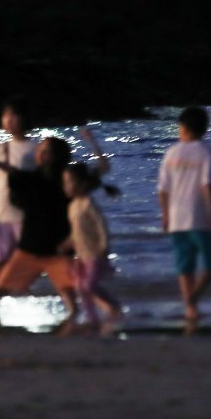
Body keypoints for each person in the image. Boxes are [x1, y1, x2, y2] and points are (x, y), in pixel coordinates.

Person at [0, 136, 76, 336]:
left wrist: (0, 166)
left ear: (51, 157)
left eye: (43, 150)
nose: (38, 153)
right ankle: (73, 326)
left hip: (35, 248)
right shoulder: (67, 182)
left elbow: (17, 191)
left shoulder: (38, 179)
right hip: (50, 248)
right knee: (68, 293)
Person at [157, 107, 211, 325]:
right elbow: (207, 185)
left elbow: (163, 189)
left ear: (183, 127)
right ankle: (192, 301)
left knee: (185, 264)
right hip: (199, 215)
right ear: (204, 128)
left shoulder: (171, 152)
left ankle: (190, 306)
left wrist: (165, 216)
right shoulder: (207, 151)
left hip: (177, 217)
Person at [0, 98, 37, 315]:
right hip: (2, 218)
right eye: (6, 116)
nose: (9, 120)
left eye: (14, 115)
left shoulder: (35, 150)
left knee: (26, 263)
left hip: (27, 217)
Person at [59, 129, 122, 333]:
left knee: (88, 287)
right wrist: (68, 242)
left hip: (95, 254)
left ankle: (111, 306)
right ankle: (92, 317)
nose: (65, 187)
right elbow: (77, 230)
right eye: (64, 183)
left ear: (80, 184)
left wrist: (104, 246)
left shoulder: (87, 204)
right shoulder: (72, 206)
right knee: (81, 287)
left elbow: (101, 225)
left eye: (68, 183)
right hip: (81, 255)